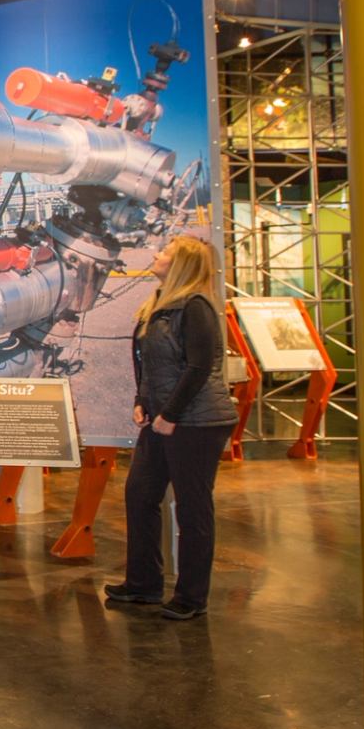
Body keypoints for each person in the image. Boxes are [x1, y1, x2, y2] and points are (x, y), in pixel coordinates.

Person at [104, 235, 240, 621]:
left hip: (195, 423)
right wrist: (141, 402)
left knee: (193, 508)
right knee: (140, 494)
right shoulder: (161, 305)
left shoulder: (196, 307)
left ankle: (191, 597)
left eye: (163, 252)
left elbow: (199, 368)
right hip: (163, 418)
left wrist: (172, 415)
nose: (155, 255)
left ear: (180, 263)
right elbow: (150, 364)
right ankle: (143, 584)